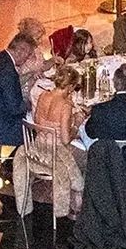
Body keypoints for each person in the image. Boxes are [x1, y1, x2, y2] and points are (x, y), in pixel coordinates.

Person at [14, 63, 86, 219]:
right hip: (55, 150)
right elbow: (66, 139)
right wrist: (77, 124)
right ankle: (76, 204)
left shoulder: (43, 96)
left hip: (37, 146)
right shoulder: (65, 105)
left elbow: (38, 125)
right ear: (71, 87)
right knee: (85, 156)